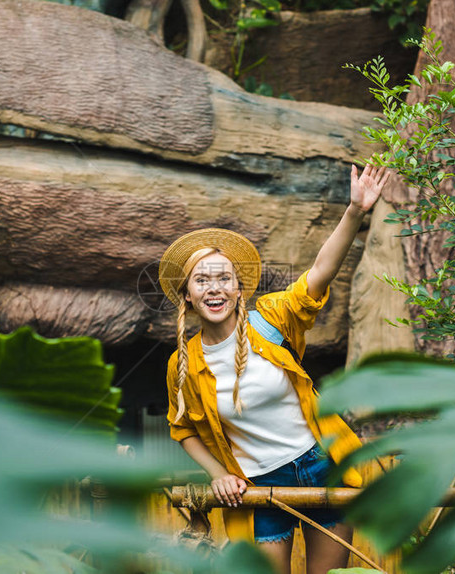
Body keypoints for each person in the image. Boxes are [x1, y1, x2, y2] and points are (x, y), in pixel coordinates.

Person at [158, 164, 390, 574]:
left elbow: (319, 274)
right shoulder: (184, 363)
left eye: (223, 278)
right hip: (255, 486)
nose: (214, 288)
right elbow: (183, 430)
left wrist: (355, 211)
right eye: (202, 281)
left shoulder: (270, 320)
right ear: (187, 296)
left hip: (321, 463)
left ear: (239, 288)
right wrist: (217, 475)